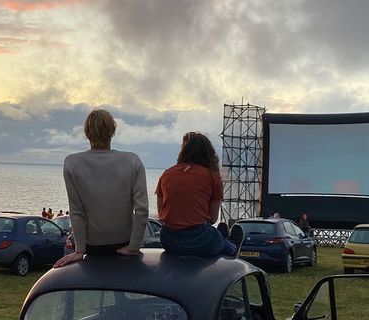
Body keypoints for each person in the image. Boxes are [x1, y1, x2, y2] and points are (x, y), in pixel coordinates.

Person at [54, 109, 148, 268]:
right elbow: (142, 210)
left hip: (92, 246)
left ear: (87, 133)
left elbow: (77, 211)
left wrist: (79, 250)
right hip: (124, 243)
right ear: (112, 130)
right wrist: (134, 247)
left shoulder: (72, 164)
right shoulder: (132, 161)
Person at [155, 132, 239, 257]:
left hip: (168, 239)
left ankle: (223, 240)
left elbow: (161, 212)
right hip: (198, 239)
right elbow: (212, 218)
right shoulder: (212, 177)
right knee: (214, 235)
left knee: (212, 234)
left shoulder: (167, 174)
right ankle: (232, 246)